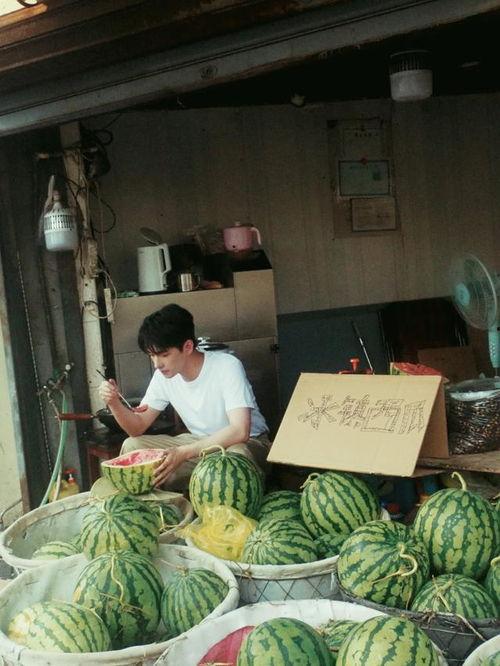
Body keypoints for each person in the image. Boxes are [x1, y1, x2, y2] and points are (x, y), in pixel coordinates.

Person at [98, 303, 270, 492]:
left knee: (234, 457)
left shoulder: (226, 366)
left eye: (164, 355)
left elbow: (240, 431)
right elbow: (136, 428)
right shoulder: (163, 376)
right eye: (151, 356)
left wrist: (184, 453)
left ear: (188, 346)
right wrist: (113, 402)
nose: (157, 364)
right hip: (199, 443)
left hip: (247, 443)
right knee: (133, 445)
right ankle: (152, 505)